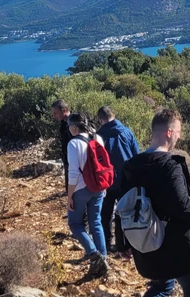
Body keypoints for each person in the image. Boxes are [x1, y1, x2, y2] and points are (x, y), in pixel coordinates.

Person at [121, 108, 190, 297]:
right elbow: (182, 206)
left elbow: (123, 206)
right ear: (169, 133)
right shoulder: (170, 165)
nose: (179, 136)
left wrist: (122, 242)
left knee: (162, 287)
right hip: (178, 249)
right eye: (178, 131)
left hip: (146, 247)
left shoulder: (130, 166)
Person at [66, 112, 109, 279]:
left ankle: (93, 254)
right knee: (96, 222)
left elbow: (73, 173)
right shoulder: (98, 138)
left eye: (69, 126)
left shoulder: (73, 143)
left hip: (81, 189)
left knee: (75, 223)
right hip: (98, 187)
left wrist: (69, 196)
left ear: (74, 127)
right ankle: (103, 258)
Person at [96, 106, 140, 257]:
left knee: (105, 213)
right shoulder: (127, 132)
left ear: (100, 119)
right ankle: (126, 245)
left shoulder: (99, 137)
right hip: (126, 180)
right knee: (125, 213)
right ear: (113, 115)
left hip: (106, 182)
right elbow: (136, 156)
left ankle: (106, 244)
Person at [51, 99, 71, 194]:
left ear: (64, 111)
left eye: (55, 113)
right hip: (67, 159)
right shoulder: (63, 123)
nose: (54, 116)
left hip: (75, 162)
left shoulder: (74, 123)